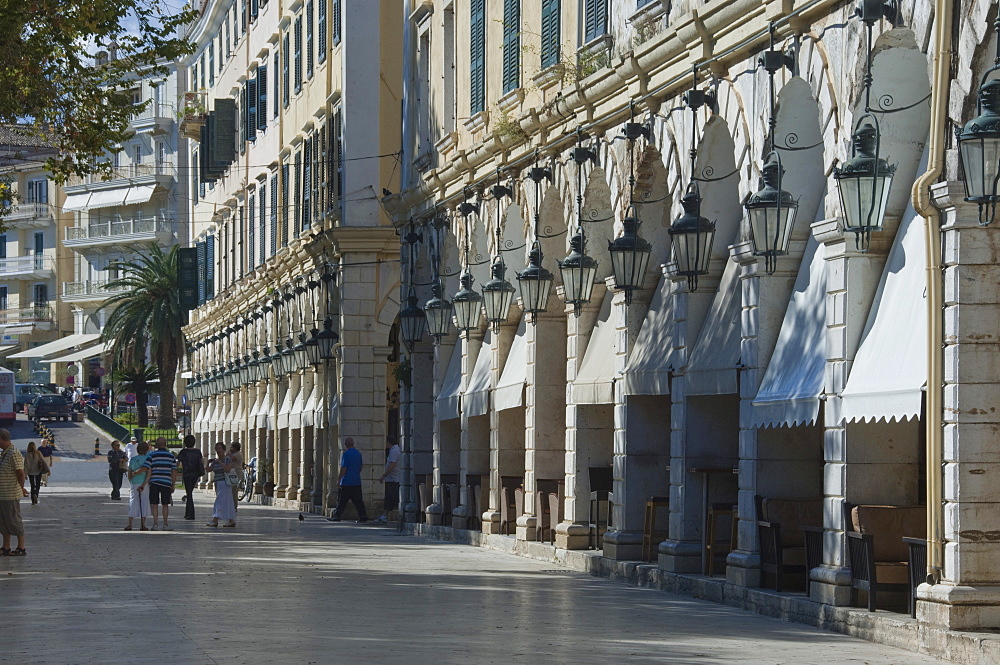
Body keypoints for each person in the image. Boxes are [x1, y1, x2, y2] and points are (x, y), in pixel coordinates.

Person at [0, 428, 28, 555]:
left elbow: (20, 473)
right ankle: (6, 547)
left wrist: (21, 488)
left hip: (10, 494)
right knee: (4, 521)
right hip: (3, 494)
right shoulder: (5, 453)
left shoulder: (13, 453)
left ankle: (21, 547)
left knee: (14, 520)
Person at [327, 437, 368, 523]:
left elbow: (344, 468)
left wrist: (339, 479)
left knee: (342, 501)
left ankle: (337, 516)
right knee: (358, 501)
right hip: (356, 481)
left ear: (346, 445)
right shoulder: (358, 454)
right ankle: (363, 515)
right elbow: (360, 467)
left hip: (346, 482)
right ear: (353, 444)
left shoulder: (346, 454)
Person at [145, 437, 178, 531]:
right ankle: (165, 524)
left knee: (154, 504)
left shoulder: (152, 455)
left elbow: (148, 469)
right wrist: (173, 484)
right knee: (165, 504)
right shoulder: (171, 456)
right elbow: (174, 471)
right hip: (166, 482)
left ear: (157, 445)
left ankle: (155, 524)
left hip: (154, 482)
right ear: (166, 444)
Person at [206, 442, 236, 527]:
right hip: (218, 483)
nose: (218, 450)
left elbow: (227, 469)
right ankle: (231, 520)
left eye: (220, 448)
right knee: (228, 502)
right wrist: (208, 462)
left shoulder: (227, 459)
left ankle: (215, 520)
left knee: (219, 501)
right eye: (217, 449)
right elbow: (208, 470)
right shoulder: (215, 461)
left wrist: (221, 463)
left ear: (223, 450)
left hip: (225, 483)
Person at [177, 435, 204, 520]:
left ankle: (190, 513)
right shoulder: (197, 452)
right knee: (189, 493)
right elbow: (201, 461)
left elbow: (178, 462)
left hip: (187, 474)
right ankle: (188, 512)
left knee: (189, 494)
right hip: (195, 474)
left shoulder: (183, 452)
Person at [125, 441, 151, 531]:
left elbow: (129, 472)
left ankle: (130, 524)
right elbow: (149, 473)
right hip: (145, 483)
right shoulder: (148, 459)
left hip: (134, 483)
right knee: (144, 503)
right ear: (147, 449)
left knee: (133, 501)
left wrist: (131, 481)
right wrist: (144, 484)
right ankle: (143, 524)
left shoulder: (133, 459)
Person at [377, 437, 401, 523]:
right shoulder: (396, 449)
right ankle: (385, 515)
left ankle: (385, 515)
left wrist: (384, 475)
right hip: (393, 479)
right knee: (391, 498)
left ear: (388, 442)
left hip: (393, 479)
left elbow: (392, 464)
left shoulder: (394, 451)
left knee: (391, 498)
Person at [228, 441, 244, 509]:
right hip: (233, 474)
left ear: (235, 448)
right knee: (232, 490)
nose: (230, 448)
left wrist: (229, 453)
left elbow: (230, 459)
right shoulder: (234, 454)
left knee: (234, 491)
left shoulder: (237, 454)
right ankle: (232, 505)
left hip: (237, 474)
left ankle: (234, 506)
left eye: (231, 447)